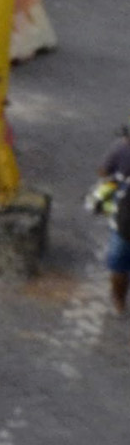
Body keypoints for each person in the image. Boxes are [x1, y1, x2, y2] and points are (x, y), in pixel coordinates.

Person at [97, 123, 130, 316]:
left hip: (125, 221)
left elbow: (102, 171)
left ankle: (119, 301)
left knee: (119, 264)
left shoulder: (121, 148)